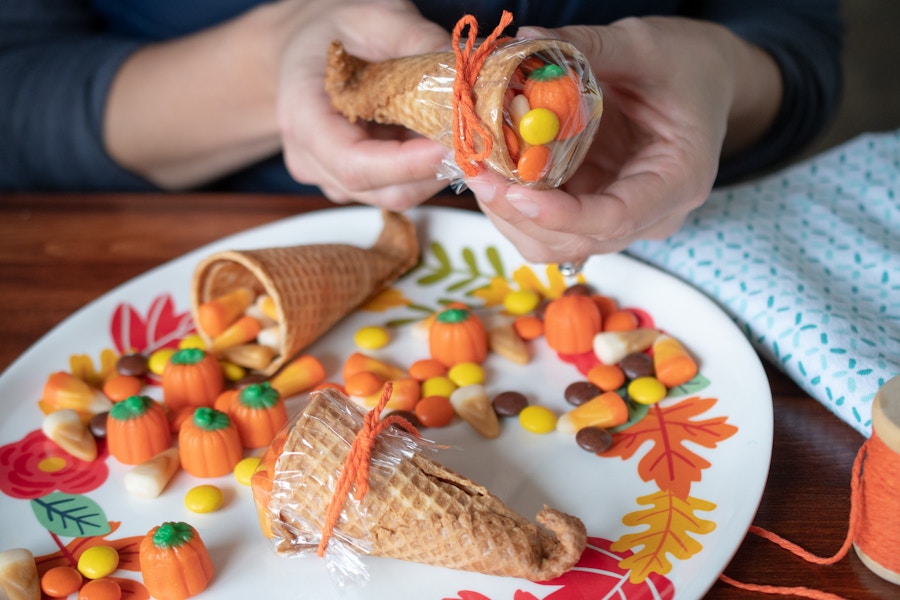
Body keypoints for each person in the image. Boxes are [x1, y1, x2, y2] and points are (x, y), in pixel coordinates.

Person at [0, 0, 842, 263]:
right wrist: (268, 64)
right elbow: (17, 96)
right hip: (219, 246)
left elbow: (799, 42)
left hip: (666, 250)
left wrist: (723, 73)